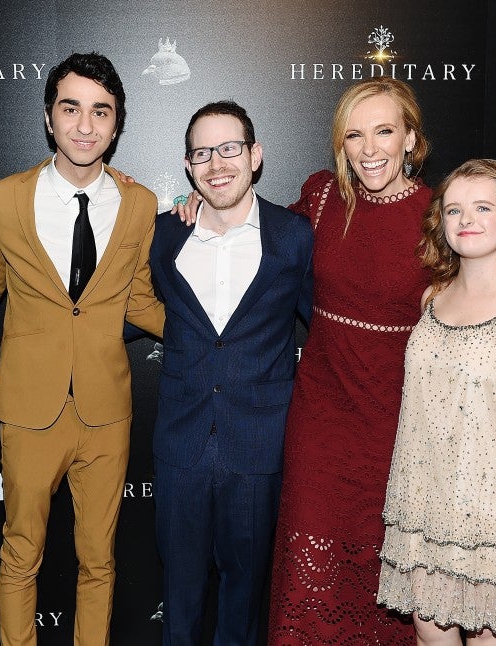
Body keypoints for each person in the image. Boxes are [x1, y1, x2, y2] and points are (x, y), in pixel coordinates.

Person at [256, 77, 496, 645]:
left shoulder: (439, 213)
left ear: (411, 139)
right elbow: (256, 236)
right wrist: (203, 203)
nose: (369, 149)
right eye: (354, 135)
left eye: (384, 132)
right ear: (340, 144)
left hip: (411, 435)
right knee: (312, 587)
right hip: (322, 425)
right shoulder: (321, 197)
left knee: (412, 599)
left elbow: (487, 270)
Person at [0, 51, 165, 646]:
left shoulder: (140, 204)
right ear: (48, 117)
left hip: (106, 411)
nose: (85, 126)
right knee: (20, 555)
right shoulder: (0, 199)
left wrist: (219, 329)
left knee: (99, 560)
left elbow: (139, 301)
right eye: (71, 108)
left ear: (116, 124)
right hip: (28, 409)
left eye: (101, 112)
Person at [376, 158, 496, 646]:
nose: (466, 220)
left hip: (494, 511)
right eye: (454, 209)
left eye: (483, 207)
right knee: (428, 631)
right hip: (426, 503)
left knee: (487, 636)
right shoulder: (432, 298)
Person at [149, 101, 314, 646]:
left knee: (244, 601)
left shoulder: (293, 236)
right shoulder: (164, 235)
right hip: (181, 444)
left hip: (258, 446)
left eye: (229, 148)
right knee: (179, 597)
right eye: (202, 153)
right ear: (188, 166)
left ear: (255, 155)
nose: (216, 164)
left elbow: (331, 323)